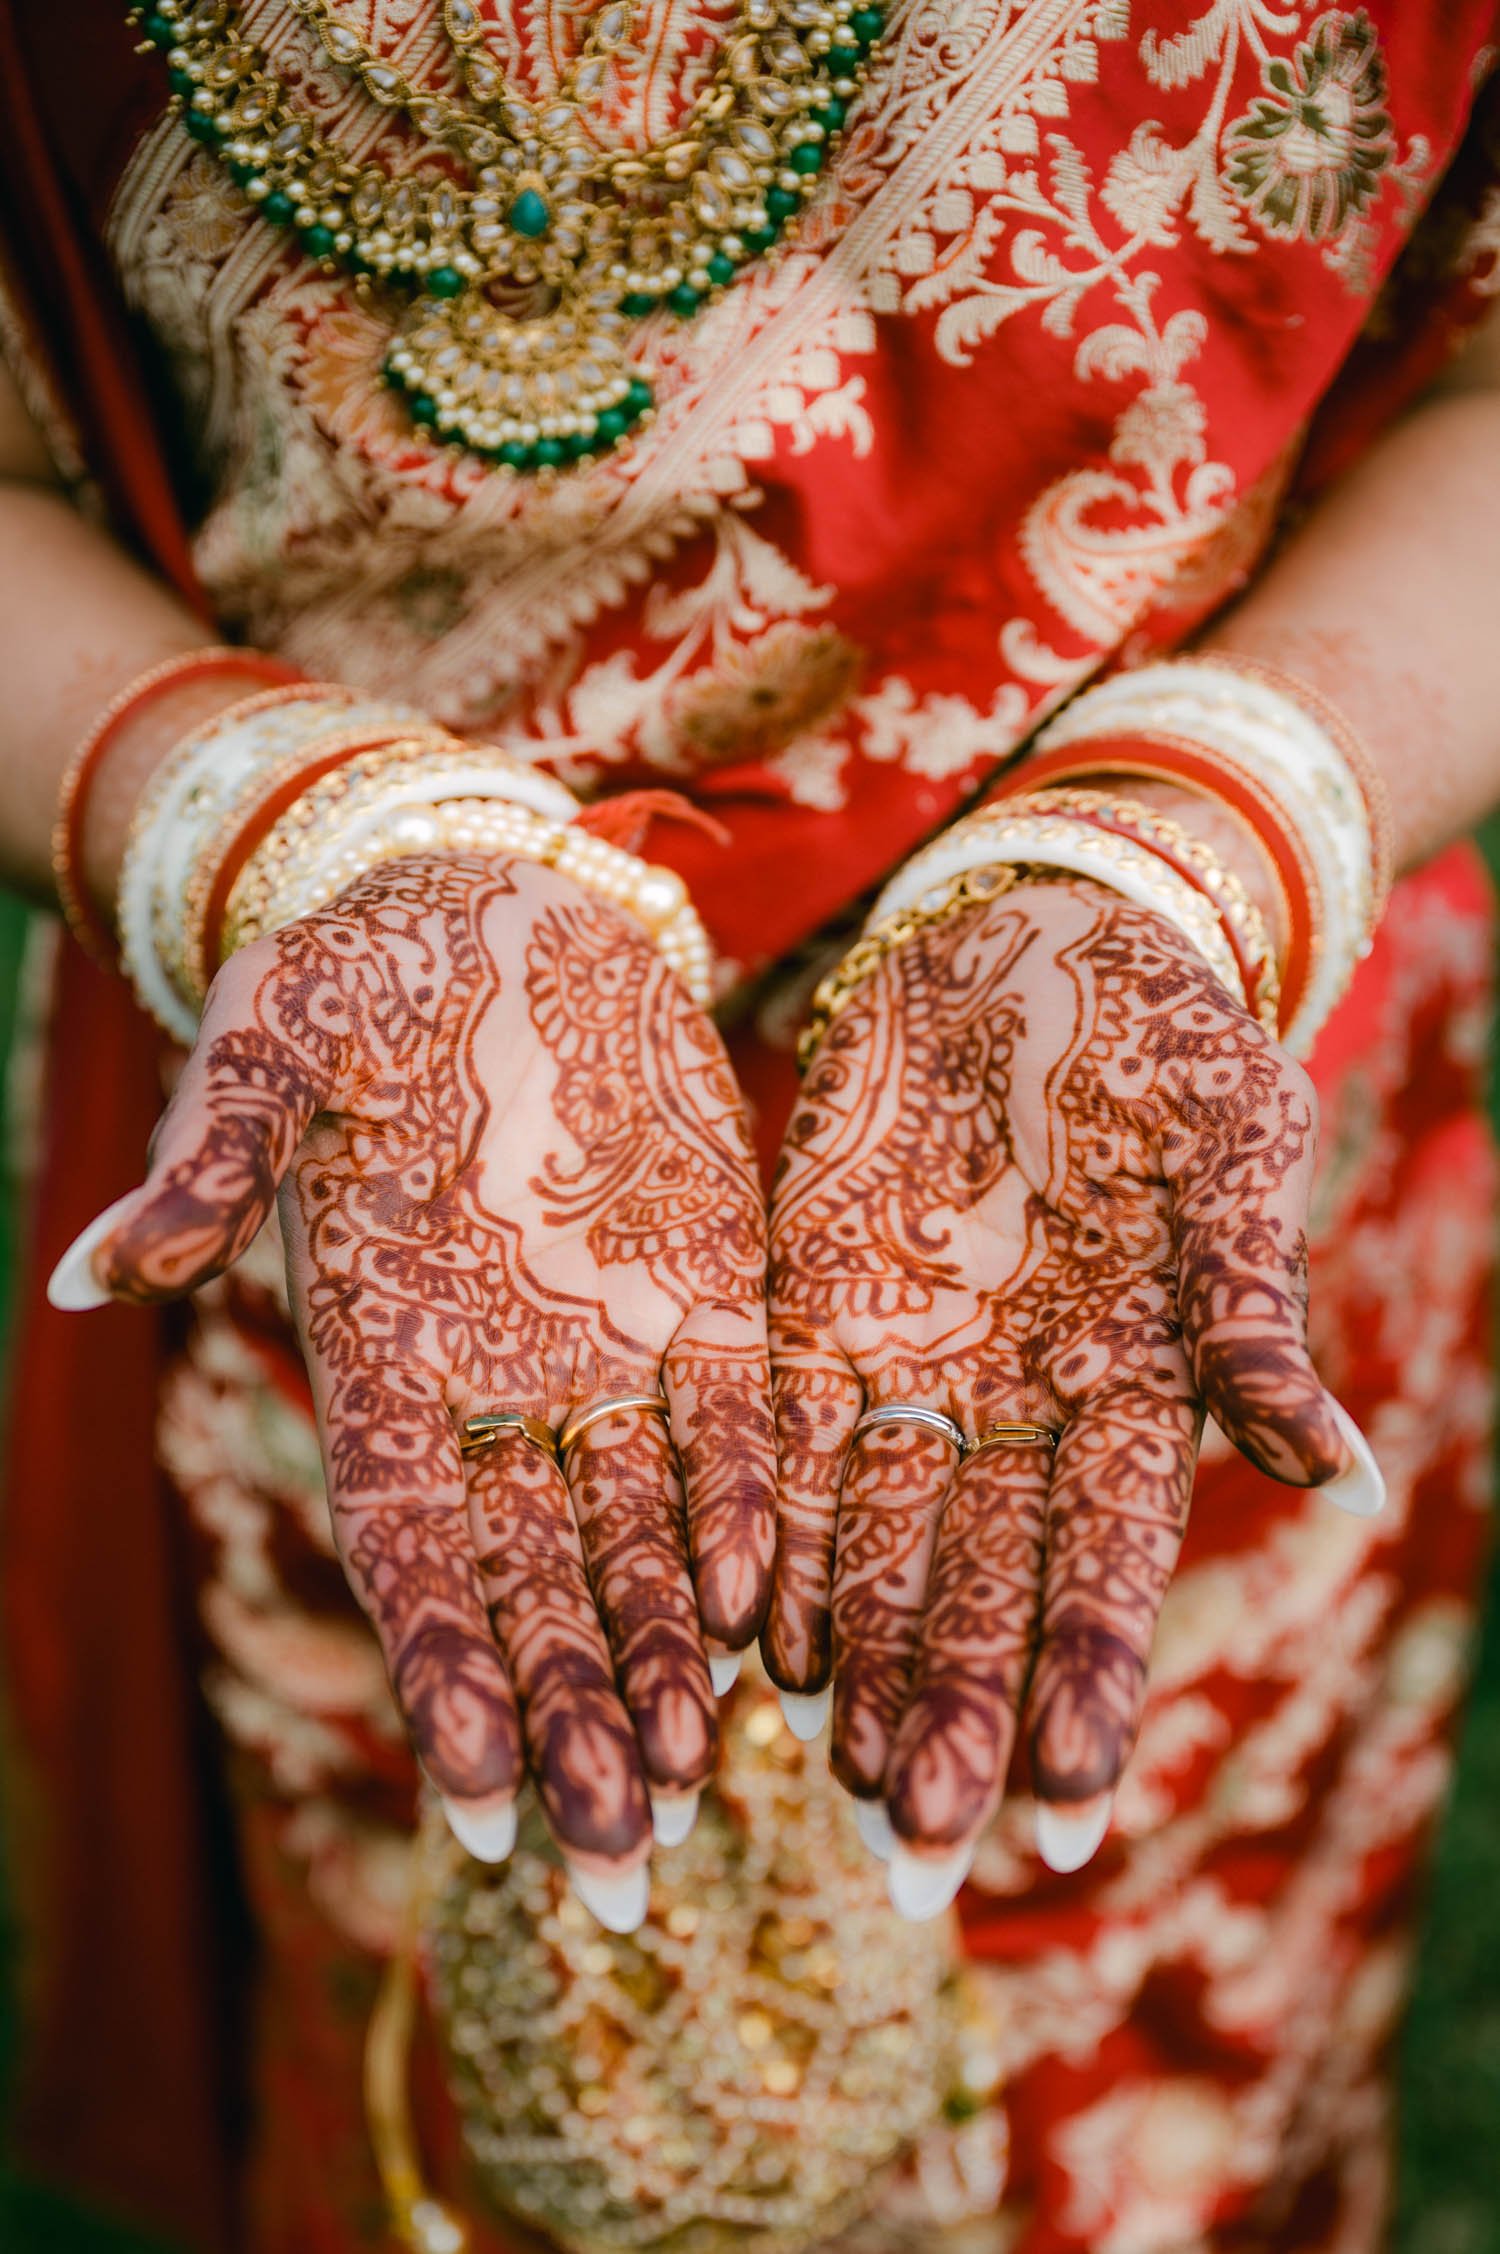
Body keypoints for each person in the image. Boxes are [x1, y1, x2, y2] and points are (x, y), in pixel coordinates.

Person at [2, 2, 1499, 2248]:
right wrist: (293, 844)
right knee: (492, 2069)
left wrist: (1205, 834)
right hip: (410, 1209)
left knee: (1153, 2078)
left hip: (1154, 1183)